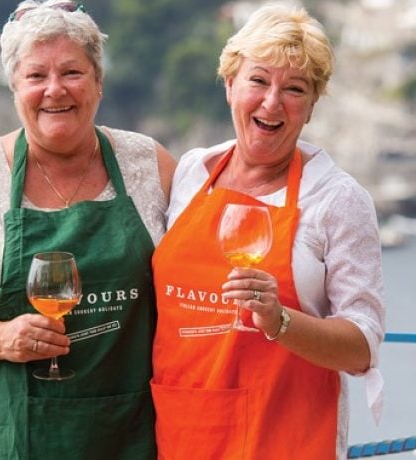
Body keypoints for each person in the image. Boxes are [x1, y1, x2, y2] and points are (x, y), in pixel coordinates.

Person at [0, 1, 176, 458]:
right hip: (3, 437)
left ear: (99, 83)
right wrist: (1, 339)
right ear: (14, 89)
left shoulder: (147, 162)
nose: (54, 90)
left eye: (72, 73)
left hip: (128, 436)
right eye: (36, 76)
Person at [150, 4, 385, 459]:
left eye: (294, 88)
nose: (272, 102)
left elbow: (362, 346)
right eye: (258, 81)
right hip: (183, 436)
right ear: (230, 85)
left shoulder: (337, 200)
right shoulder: (191, 174)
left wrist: (280, 322)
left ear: (312, 106)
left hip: (286, 440)